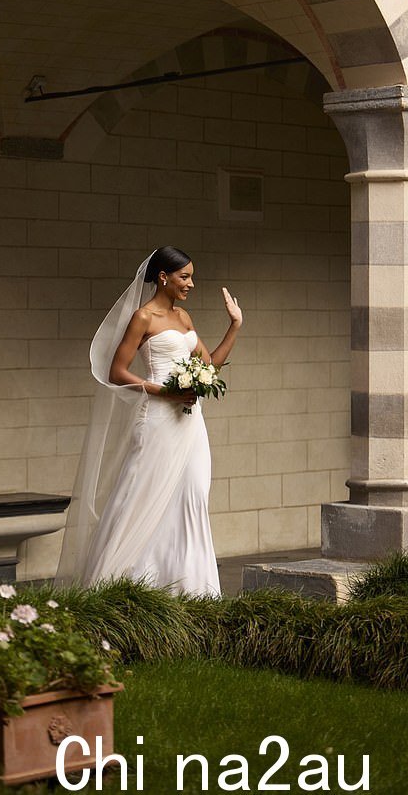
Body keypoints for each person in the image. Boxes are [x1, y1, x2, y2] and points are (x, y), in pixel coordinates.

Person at [56, 246, 242, 596]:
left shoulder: (184, 318)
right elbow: (116, 372)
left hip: (190, 423)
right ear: (163, 277)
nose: (190, 284)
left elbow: (209, 367)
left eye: (191, 277)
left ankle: (191, 589)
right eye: (184, 277)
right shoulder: (143, 317)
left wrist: (235, 325)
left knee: (193, 495)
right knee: (143, 497)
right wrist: (165, 393)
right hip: (158, 419)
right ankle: (126, 586)